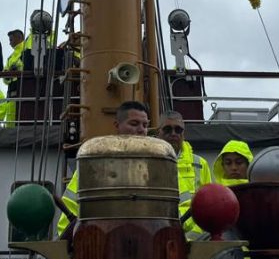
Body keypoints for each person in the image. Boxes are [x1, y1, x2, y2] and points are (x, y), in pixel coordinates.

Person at [55, 100, 151, 236]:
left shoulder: (156, 165)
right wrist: (68, 242)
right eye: (134, 124)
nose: (141, 130)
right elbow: (70, 208)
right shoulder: (95, 164)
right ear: (117, 126)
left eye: (145, 125)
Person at [157, 111, 212, 240]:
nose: (173, 133)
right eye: (167, 129)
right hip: (160, 232)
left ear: (183, 133)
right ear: (158, 132)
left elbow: (208, 205)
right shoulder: (149, 162)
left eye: (178, 130)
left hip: (195, 238)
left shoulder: (200, 164)